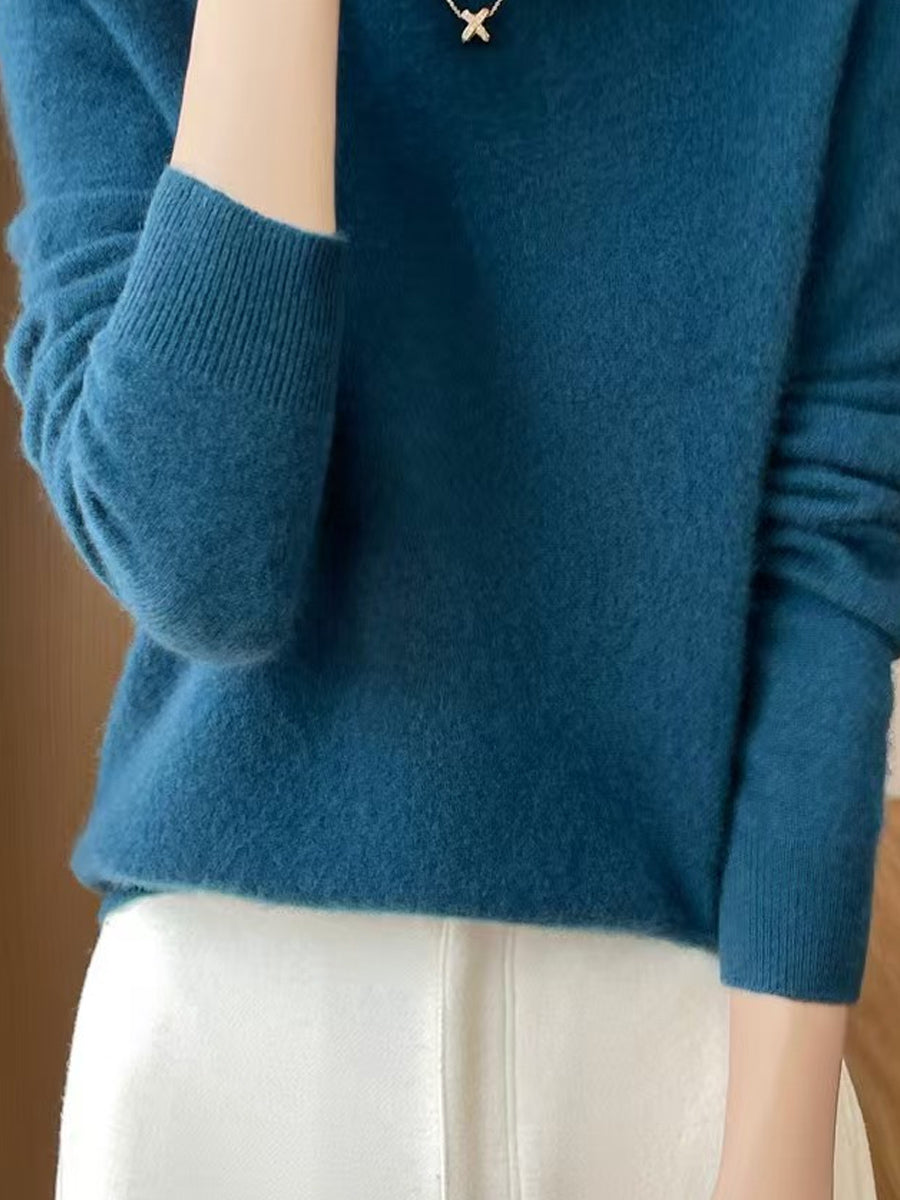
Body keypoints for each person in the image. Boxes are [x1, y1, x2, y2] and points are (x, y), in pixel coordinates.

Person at [0, 0, 896, 1196]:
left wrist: (775, 1153)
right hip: (229, 1069)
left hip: (692, 1054)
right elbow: (200, 567)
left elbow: (830, 549)